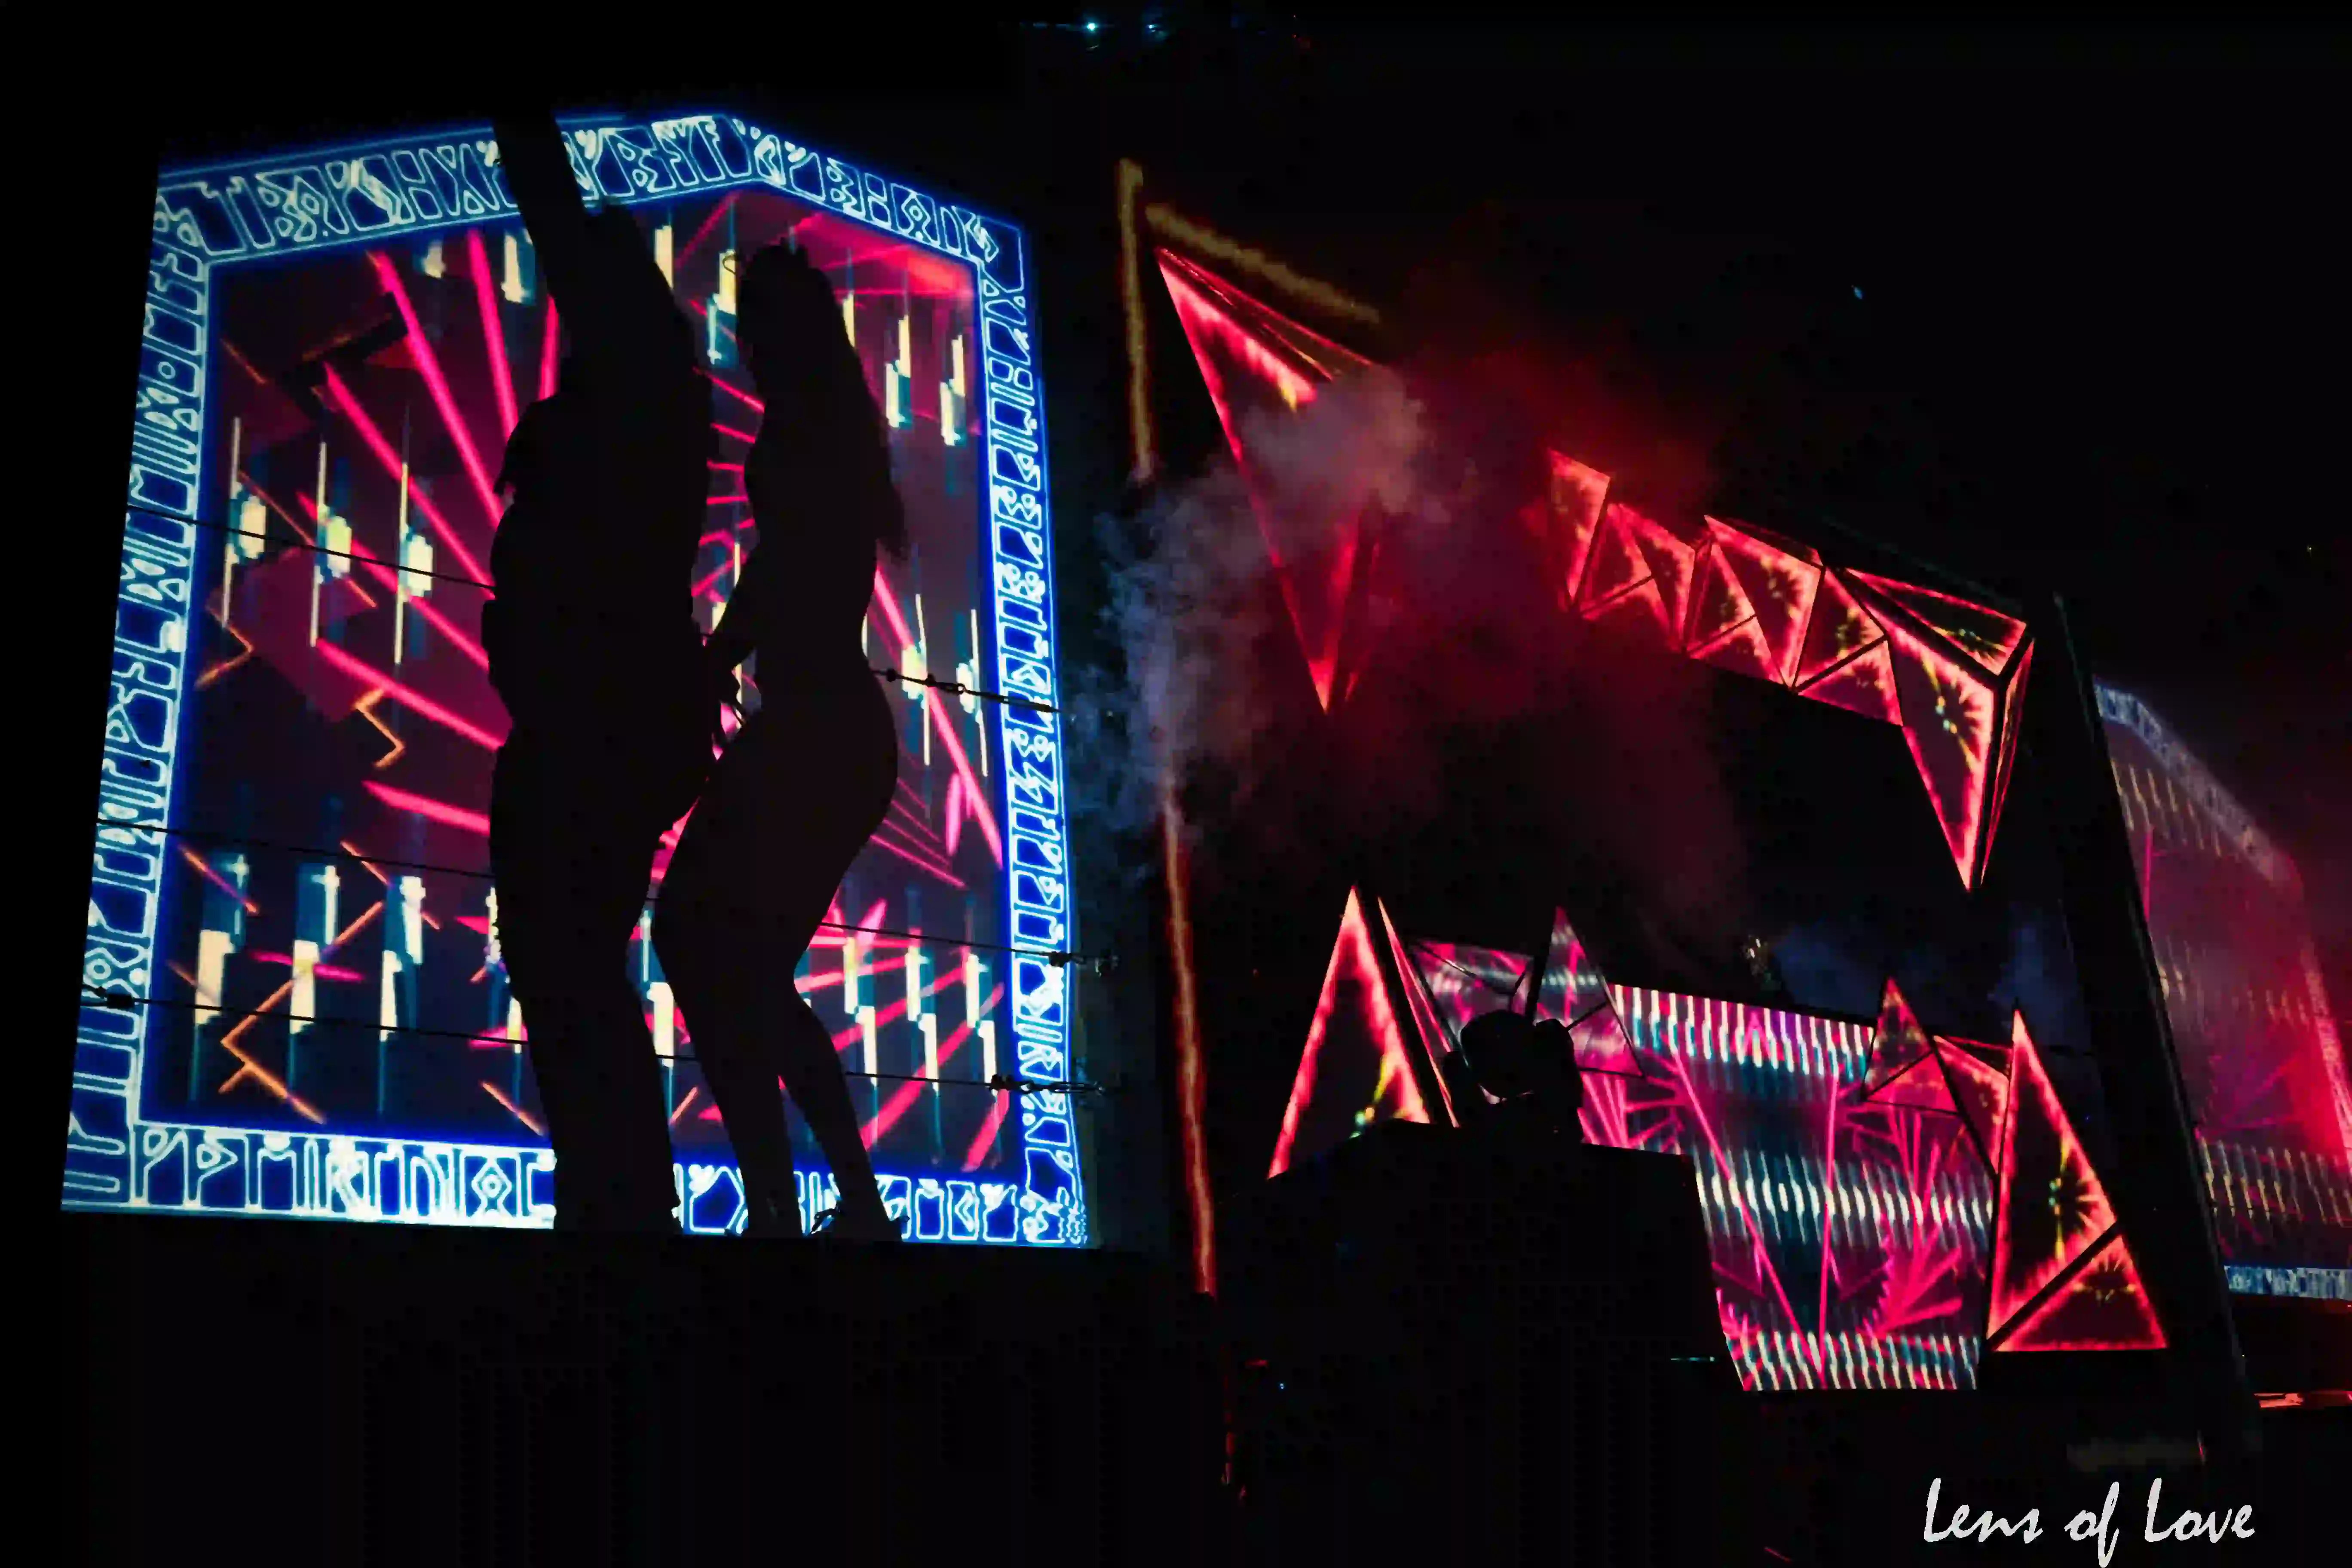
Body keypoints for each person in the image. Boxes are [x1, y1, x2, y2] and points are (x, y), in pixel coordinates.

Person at [483, 111, 720, 1232]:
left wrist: (525, 135)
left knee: (565, 956)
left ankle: (620, 1211)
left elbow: (555, 219)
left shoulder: (636, 403)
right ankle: (619, 1204)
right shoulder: (655, 401)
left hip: (599, 715)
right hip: (611, 710)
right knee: (570, 959)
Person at [652, 240, 906, 1243]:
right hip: (828, 733)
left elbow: (781, 574)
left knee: (699, 939)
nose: (743, 345)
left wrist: (714, 659)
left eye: (753, 325)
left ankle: (789, 1205)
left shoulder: (810, 437)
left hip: (814, 731)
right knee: (740, 963)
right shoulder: (835, 434)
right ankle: (833, 1205)